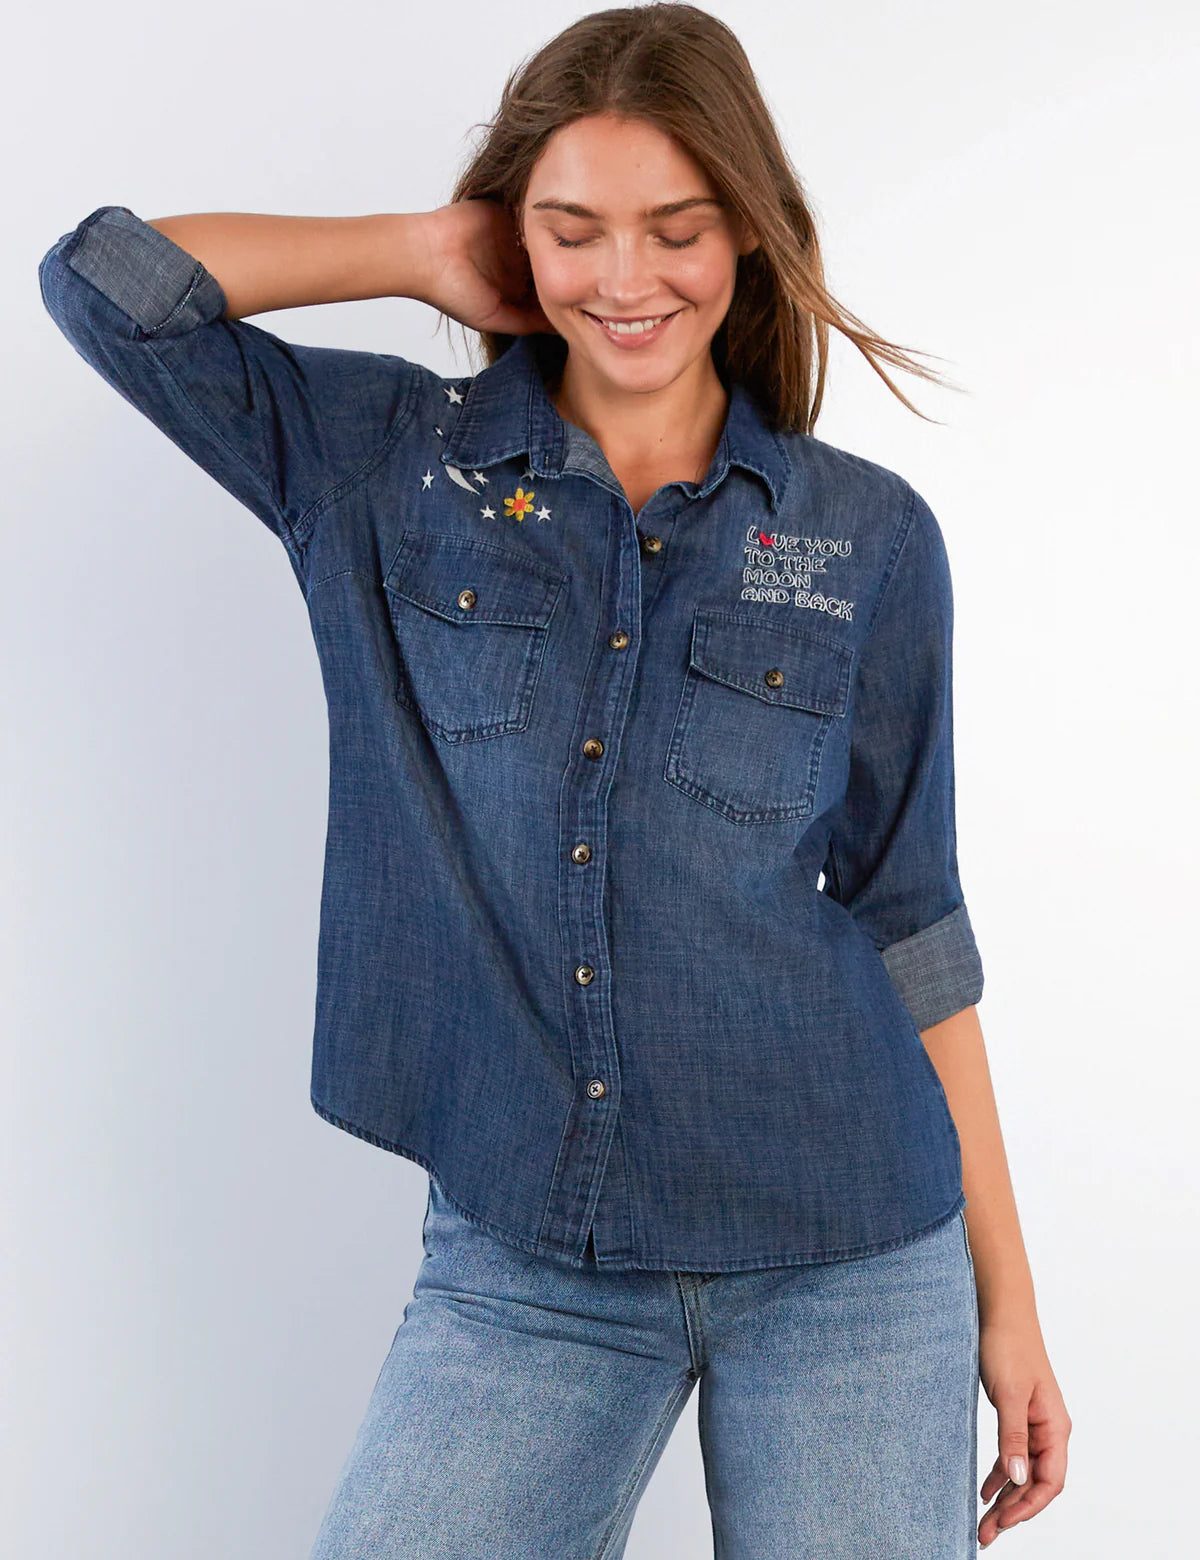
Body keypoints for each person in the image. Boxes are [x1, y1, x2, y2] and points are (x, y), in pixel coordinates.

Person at [38, 4, 1071, 1555]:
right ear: (515, 232)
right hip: (531, 1251)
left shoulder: (864, 537)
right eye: (574, 229)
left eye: (677, 228)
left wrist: (1012, 1300)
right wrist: (418, 250)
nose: (626, 278)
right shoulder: (386, 461)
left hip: (850, 1250)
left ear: (750, 231)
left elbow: (912, 918)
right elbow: (105, 284)